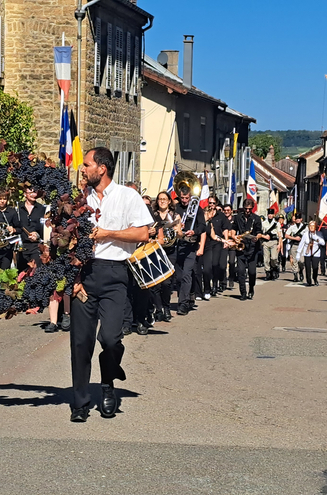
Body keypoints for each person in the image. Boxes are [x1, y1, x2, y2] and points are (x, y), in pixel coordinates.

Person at [70, 147, 152, 423]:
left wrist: (108, 234)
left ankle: (107, 383)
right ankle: (80, 402)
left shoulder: (127, 196)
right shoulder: (79, 199)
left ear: (101, 169)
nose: (82, 169)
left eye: (87, 164)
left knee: (110, 338)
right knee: (81, 341)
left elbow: (142, 232)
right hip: (84, 273)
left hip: (116, 273)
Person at [173, 187, 206, 315]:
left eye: (187, 198)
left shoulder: (197, 209)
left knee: (187, 274)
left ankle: (183, 304)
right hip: (179, 245)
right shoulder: (176, 209)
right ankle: (190, 293)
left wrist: (195, 231)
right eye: (182, 198)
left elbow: (203, 226)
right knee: (180, 277)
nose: (185, 201)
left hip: (191, 245)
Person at [150, 191, 176, 322]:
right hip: (156, 251)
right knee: (156, 283)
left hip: (170, 251)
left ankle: (166, 307)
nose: (162, 201)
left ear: (169, 201)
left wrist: (178, 231)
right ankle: (159, 309)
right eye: (160, 199)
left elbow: (180, 234)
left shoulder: (175, 216)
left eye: (165, 199)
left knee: (166, 283)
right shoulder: (153, 215)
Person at [231, 199, 263, 300]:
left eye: (249, 209)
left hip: (253, 249)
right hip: (241, 248)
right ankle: (243, 293)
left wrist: (257, 237)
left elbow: (259, 232)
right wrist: (234, 237)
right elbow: (233, 229)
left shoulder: (256, 219)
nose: (247, 211)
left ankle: (251, 288)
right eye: (246, 209)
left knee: (252, 272)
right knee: (241, 271)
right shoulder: (237, 218)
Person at [16, 185, 45, 270]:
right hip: (22, 247)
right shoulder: (18, 209)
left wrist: (37, 235)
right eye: (31, 192)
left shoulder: (42, 209)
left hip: (36, 246)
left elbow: (44, 228)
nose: (34, 195)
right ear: (25, 194)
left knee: (35, 273)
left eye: (35, 192)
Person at [0, 189, 18, 269]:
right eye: (0, 199)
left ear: (7, 200)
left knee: (5, 271)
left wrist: (14, 230)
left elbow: (20, 228)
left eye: (4, 199)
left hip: (7, 248)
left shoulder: (12, 212)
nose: (2, 201)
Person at [297, 220, 325, 286]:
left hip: (316, 253)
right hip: (307, 253)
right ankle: (308, 280)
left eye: (313, 226)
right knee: (307, 267)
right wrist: (298, 253)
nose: (311, 227)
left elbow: (323, 243)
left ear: (315, 227)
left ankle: (315, 278)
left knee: (315, 267)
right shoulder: (305, 234)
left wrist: (317, 238)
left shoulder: (319, 234)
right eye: (310, 226)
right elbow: (301, 244)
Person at [261, 208, 281, 280]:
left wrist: (279, 245)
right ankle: (268, 273)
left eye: (271, 214)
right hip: (266, 242)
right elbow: (260, 233)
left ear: (273, 215)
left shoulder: (276, 224)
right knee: (266, 259)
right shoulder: (263, 223)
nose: (270, 215)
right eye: (269, 214)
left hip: (274, 242)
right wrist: (264, 237)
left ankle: (275, 267)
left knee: (274, 258)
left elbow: (279, 235)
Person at [285, 214, 306, 282]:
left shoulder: (305, 227)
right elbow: (286, 235)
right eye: (296, 218)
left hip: (302, 246)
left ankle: (301, 271)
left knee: (301, 261)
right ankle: (295, 275)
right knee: (294, 261)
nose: (297, 219)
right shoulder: (292, 227)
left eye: (299, 218)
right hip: (294, 245)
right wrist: (294, 238)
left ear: (301, 219)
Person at [222, 204, 238, 289]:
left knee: (232, 262)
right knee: (223, 264)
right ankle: (223, 282)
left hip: (232, 244)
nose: (226, 212)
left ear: (231, 211)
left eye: (228, 210)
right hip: (224, 243)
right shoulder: (222, 219)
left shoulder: (235, 219)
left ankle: (231, 278)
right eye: (225, 210)